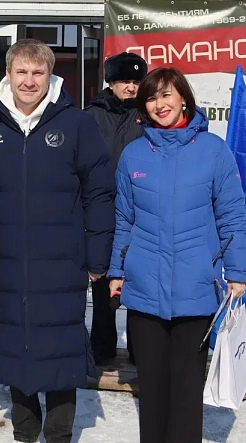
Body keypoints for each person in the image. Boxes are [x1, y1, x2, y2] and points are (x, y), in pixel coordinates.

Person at [0, 39, 115, 443]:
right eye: (22, 72)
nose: (29, 81)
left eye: (38, 72)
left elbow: (100, 192)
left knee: (60, 349)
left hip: (63, 260)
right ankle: (24, 432)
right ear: (8, 74)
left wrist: (97, 256)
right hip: (5, 261)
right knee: (15, 344)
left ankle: (59, 434)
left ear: (51, 75)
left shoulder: (77, 124)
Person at [107, 67, 246, 443]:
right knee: (151, 390)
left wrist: (237, 270)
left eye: (167, 95)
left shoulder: (213, 150)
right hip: (144, 289)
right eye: (152, 98)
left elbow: (232, 214)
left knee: (186, 393)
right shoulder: (133, 154)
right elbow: (124, 218)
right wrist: (116, 270)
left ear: (183, 98)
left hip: (196, 287)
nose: (160, 104)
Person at [84, 51, 147, 365]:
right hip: (102, 208)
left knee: (138, 284)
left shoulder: (148, 113)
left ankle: (140, 350)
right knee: (103, 285)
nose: (131, 87)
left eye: (137, 81)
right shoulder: (91, 115)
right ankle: (102, 349)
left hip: (141, 211)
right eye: (125, 80)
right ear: (111, 81)